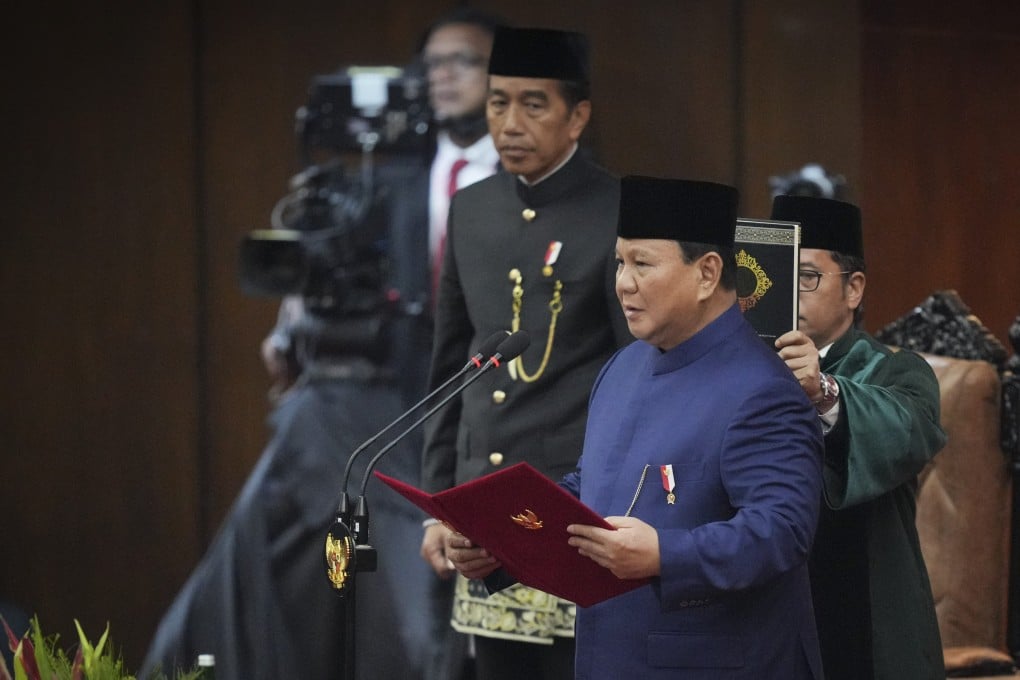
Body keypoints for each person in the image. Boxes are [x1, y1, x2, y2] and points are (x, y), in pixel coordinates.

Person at [446, 175, 826, 678]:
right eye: (620, 262)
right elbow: (593, 491)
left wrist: (664, 554)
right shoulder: (623, 367)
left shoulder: (762, 388)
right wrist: (500, 543)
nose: (623, 281)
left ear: (708, 273)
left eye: (642, 264)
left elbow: (781, 533)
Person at [419, 26, 632, 680]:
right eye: (498, 102)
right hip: (479, 508)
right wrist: (439, 505)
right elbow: (451, 366)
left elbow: (634, 382)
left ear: (578, 117)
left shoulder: (617, 209)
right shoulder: (472, 208)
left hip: (571, 507)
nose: (510, 123)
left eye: (533, 105)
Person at [771, 194, 947, 680]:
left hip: (863, 620)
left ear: (854, 289)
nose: (789, 293)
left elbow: (907, 429)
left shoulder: (894, 370)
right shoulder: (744, 373)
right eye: (778, 276)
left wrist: (822, 390)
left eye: (806, 278)